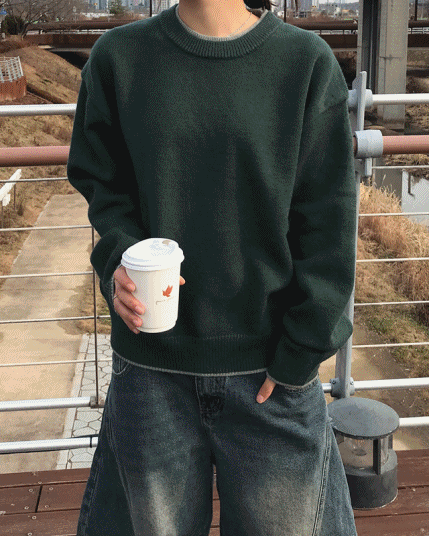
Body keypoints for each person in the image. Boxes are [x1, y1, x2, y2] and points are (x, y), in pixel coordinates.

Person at [67, 0, 358, 534]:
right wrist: (117, 262)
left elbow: (328, 222)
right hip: (150, 371)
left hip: (273, 376)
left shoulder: (306, 64)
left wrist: (301, 351)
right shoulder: (118, 59)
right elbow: (102, 186)